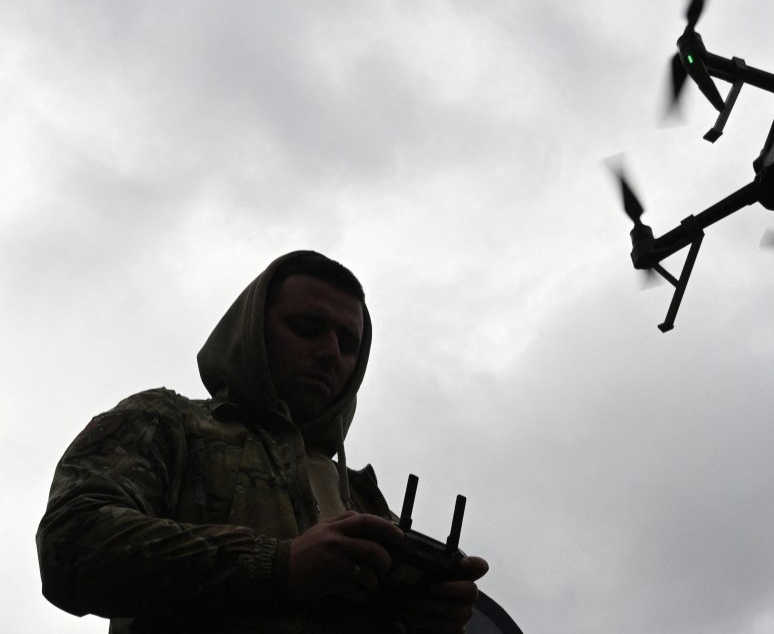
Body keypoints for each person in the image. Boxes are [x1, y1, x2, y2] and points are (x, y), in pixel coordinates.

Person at [37, 250, 488, 633]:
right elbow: (71, 542)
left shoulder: (367, 504)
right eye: (307, 328)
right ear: (254, 330)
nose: (331, 352)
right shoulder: (168, 422)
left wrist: (431, 615)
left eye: (348, 342)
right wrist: (278, 565)